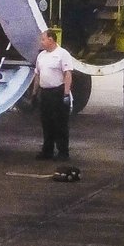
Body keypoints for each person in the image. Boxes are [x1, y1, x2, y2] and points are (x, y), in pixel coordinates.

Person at [32, 31, 80, 160]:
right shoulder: (41, 55)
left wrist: (66, 93)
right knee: (46, 122)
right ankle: (47, 151)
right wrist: (34, 93)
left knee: (60, 124)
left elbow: (68, 74)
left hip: (58, 92)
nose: (41, 42)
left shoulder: (62, 54)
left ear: (51, 39)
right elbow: (37, 75)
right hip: (45, 92)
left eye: (43, 39)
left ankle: (63, 152)